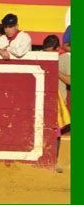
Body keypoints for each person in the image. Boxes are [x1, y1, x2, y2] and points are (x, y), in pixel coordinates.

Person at [42, 35, 69, 173]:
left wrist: (54, 70)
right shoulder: (41, 57)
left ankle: (55, 160)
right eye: (45, 52)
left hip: (58, 101)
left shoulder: (65, 59)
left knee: (55, 131)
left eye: (50, 52)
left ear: (57, 49)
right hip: (42, 99)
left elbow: (71, 80)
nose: (47, 55)